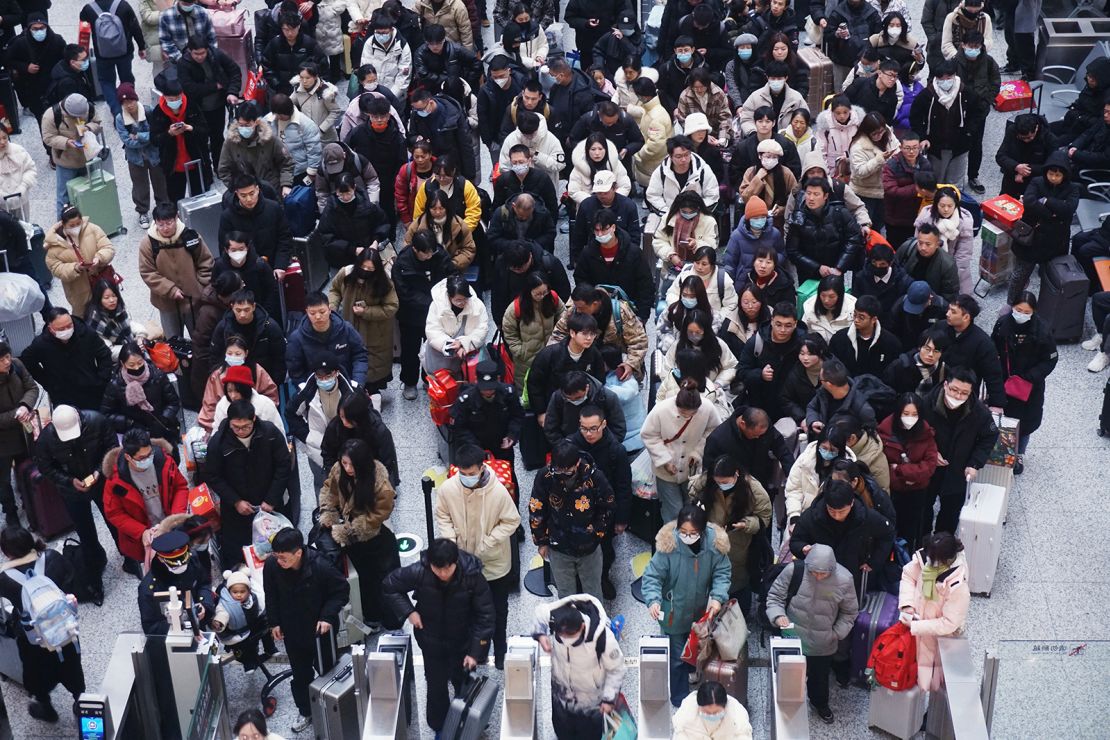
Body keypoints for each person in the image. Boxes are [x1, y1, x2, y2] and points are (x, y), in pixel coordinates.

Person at [382, 538, 493, 731]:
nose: (442, 574)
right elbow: (390, 585)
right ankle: (439, 726)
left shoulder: (472, 576)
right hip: (431, 641)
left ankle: (470, 724)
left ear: (455, 562)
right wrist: (409, 611)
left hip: (463, 641)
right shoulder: (420, 571)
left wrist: (476, 652)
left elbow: (486, 616)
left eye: (446, 569)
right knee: (435, 685)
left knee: (464, 684)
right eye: (437, 569)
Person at [434, 443, 519, 665]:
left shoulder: (498, 492)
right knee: (470, 612)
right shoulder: (448, 489)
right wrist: (451, 543)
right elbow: (442, 515)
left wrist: (488, 542)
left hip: (494, 564)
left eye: (471, 474)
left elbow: (512, 521)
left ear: (482, 468)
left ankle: (501, 652)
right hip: (463, 564)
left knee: (498, 612)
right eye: (462, 473)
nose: (467, 478)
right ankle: (477, 653)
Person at [642, 503, 731, 707]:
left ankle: (694, 674)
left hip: (702, 611)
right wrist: (654, 600)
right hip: (674, 611)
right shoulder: (669, 547)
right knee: (676, 657)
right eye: (683, 532)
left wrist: (717, 597)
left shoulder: (714, 546)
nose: (688, 536)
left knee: (698, 649)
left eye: (693, 532)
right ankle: (680, 698)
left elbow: (722, 573)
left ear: (702, 531)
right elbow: (652, 576)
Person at [264, 527, 349, 734]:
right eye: (277, 556)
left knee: (327, 671)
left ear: (298, 553)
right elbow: (271, 594)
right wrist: (274, 622)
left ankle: (333, 709)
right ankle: (306, 711)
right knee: (301, 675)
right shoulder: (272, 566)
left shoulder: (321, 566)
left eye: (284, 557)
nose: (279, 561)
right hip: (292, 631)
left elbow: (340, 592)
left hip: (320, 632)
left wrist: (327, 616)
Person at [764, 542, 858, 723]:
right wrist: (778, 616)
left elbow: (850, 612)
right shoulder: (795, 571)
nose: (818, 576)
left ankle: (820, 704)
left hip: (823, 643)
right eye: (814, 572)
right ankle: (786, 710)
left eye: (823, 573)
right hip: (792, 638)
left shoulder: (845, 579)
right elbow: (775, 597)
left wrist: (836, 633)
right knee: (788, 679)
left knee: (819, 680)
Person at [0, 526, 86, 722]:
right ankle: (80, 701)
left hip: (33, 638)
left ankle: (45, 706)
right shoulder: (53, 558)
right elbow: (70, 580)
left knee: (36, 672)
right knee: (72, 665)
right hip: (65, 630)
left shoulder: (5, 578)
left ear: (6, 552)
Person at [318, 437, 399, 631]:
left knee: (383, 583)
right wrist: (329, 513)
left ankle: (390, 619)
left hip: (375, 538)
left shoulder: (380, 483)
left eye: (352, 464)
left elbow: (378, 514)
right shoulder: (338, 471)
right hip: (352, 540)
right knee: (362, 584)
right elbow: (329, 490)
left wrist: (348, 531)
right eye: (344, 463)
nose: (347, 468)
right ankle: (370, 617)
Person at [34, 405, 116, 592]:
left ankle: (128, 556)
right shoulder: (46, 440)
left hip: (101, 482)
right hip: (71, 490)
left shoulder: (98, 421)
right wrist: (69, 481)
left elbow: (111, 447)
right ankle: (96, 561)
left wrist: (99, 470)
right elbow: (46, 467)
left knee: (114, 519)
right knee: (84, 529)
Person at [204, 400, 292, 566]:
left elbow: (284, 465)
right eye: (236, 427)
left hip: (269, 503)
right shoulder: (218, 442)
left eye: (246, 426)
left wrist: (272, 499)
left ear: (254, 419)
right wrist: (235, 501)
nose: (241, 431)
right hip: (236, 509)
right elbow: (213, 476)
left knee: (276, 547)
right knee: (239, 554)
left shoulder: (270, 433)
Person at [529, 440, 615, 602]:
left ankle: (596, 625)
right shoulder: (545, 476)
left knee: (593, 594)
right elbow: (536, 508)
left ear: (576, 464)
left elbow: (608, 505)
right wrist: (541, 541)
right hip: (558, 546)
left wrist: (596, 531)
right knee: (565, 595)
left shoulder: (594, 477)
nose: (562, 474)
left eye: (567, 471)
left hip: (589, 547)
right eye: (558, 469)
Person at [531, 594, 625, 738]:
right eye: (562, 635)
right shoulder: (556, 616)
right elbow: (539, 613)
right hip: (561, 700)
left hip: (591, 704)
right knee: (562, 732)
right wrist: (541, 635)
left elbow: (617, 669)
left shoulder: (603, 639)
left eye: (571, 635)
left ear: (582, 626)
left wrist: (608, 699)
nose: (566, 640)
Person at [101, 428, 189, 576]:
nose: (147, 460)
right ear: (128, 457)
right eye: (142, 458)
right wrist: (141, 531)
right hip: (143, 535)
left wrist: (173, 520)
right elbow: (114, 513)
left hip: (170, 525)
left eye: (150, 454)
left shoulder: (164, 462)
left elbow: (180, 487)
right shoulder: (116, 480)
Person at [922, 367, 998, 535]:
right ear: (945, 385)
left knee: (950, 513)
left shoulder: (979, 412)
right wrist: (931, 453)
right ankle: (922, 542)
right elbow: (917, 434)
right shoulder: (927, 404)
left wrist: (975, 463)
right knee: (923, 509)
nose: (957, 396)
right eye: (954, 390)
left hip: (958, 469)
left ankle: (942, 547)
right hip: (929, 468)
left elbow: (990, 436)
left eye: (964, 393)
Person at [991, 293, 1058, 475]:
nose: (1021, 314)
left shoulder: (1042, 332)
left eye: (1025, 312)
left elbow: (1050, 360)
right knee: (1003, 419)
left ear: (1033, 312)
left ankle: (1019, 453)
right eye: (1018, 310)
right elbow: (992, 348)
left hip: (1029, 389)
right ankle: (1003, 451)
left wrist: (1029, 377)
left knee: (1026, 424)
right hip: (1005, 383)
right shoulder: (1003, 324)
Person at [694, 455, 772, 607]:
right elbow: (693, 494)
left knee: (737, 581)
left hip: (738, 544)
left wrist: (747, 524)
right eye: (718, 482)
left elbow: (764, 518)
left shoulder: (754, 489)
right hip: (711, 540)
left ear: (736, 473)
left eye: (724, 482)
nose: (721, 485)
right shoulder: (708, 480)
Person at [898, 531, 970, 690]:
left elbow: (949, 623)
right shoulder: (924, 560)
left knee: (934, 683)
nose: (929, 562)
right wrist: (907, 604)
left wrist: (916, 626)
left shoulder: (958, 587)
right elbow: (909, 576)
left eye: (934, 559)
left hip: (939, 643)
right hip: (915, 633)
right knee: (913, 678)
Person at [1007, 152, 1080, 308]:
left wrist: (1047, 200)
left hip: (1055, 241)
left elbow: (1069, 209)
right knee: (1020, 274)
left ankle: (1045, 307)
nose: (1053, 178)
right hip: (1032, 238)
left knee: (1050, 278)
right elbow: (1029, 202)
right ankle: (1011, 304)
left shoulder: (1073, 189)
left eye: (1058, 175)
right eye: (1051, 173)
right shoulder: (1037, 182)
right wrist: (1052, 214)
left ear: (1064, 175)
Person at [326, 249, 397, 398]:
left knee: (372, 365)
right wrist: (332, 305)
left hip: (375, 331)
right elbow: (335, 290)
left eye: (370, 269)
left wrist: (366, 312)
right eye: (363, 267)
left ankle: (371, 394)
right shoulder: (346, 273)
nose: (366, 271)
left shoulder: (384, 281)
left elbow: (391, 307)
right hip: (349, 325)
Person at [393, 232, 454, 400]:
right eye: (425, 253)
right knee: (410, 350)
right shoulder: (403, 263)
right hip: (411, 315)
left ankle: (429, 378)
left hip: (436, 315)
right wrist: (432, 302)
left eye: (431, 252)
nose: (429, 256)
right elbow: (404, 293)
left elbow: (452, 275)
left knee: (433, 350)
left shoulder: (440, 255)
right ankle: (409, 382)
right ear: (415, 249)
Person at [138, 202, 213, 337]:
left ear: (176, 218)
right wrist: (170, 290)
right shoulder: (148, 243)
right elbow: (147, 272)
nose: (165, 228)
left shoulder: (190, 236)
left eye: (169, 223)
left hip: (194, 301)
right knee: (173, 343)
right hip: (167, 304)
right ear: (155, 222)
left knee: (201, 338)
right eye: (161, 224)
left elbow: (206, 261)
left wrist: (201, 287)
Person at [878, 393, 938, 548]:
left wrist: (901, 470)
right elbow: (881, 467)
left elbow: (929, 466)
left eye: (914, 414)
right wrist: (907, 476)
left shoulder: (925, 434)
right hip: (892, 493)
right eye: (906, 414)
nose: (910, 418)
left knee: (912, 533)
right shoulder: (884, 433)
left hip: (917, 494)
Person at [21, 307, 112, 411]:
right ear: (51, 329)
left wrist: (102, 379)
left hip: (91, 389)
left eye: (69, 326)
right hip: (62, 396)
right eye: (61, 329)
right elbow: (27, 360)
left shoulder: (86, 332)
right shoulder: (41, 344)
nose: (66, 330)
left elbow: (104, 353)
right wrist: (48, 383)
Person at [573, 209, 655, 322]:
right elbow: (581, 280)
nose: (600, 234)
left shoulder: (634, 253)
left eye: (604, 229)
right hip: (598, 311)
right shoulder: (588, 253)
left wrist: (642, 315)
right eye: (597, 230)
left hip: (630, 311)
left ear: (613, 227)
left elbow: (646, 285)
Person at [908, 60, 978, 189]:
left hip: (960, 145)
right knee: (936, 182)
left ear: (955, 75)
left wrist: (969, 132)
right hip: (936, 146)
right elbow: (915, 118)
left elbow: (976, 113)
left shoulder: (966, 92)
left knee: (955, 184)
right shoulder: (926, 95)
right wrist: (922, 137)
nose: (945, 81)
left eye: (949, 77)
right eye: (941, 78)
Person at [176, 39, 242, 167]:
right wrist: (214, 86)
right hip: (197, 109)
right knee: (200, 140)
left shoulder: (217, 55)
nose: (200, 57)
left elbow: (234, 71)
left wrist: (232, 91)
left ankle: (220, 166)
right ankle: (206, 169)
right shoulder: (183, 64)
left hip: (217, 106)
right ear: (190, 51)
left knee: (217, 137)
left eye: (202, 53)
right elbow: (189, 88)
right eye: (196, 54)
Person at [100, 343, 182, 445]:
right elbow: (106, 414)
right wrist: (129, 423)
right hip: (135, 434)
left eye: (139, 363)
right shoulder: (116, 384)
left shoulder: (157, 376)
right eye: (131, 365)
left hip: (160, 427)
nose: (136, 368)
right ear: (122, 363)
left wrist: (164, 418)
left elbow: (173, 402)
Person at [43, 205, 116, 317]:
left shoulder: (92, 229)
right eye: (71, 225)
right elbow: (56, 268)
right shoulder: (54, 245)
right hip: (78, 291)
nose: (76, 227)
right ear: (63, 224)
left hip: (101, 284)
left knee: (110, 313)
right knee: (85, 317)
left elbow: (107, 247)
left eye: (78, 223)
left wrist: (99, 258)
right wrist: (75, 268)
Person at [4, 14, 66, 146]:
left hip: (56, 88)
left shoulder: (57, 41)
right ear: (29, 29)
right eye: (35, 28)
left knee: (62, 120)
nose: (39, 31)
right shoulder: (20, 43)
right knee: (44, 122)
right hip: (34, 91)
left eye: (42, 27)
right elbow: (8, 59)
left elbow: (65, 58)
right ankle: (51, 152)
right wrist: (25, 67)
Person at [786, 178, 863, 283]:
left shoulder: (839, 213)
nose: (811, 198)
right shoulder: (798, 218)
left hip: (835, 270)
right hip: (808, 273)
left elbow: (854, 239)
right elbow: (792, 251)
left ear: (825, 196)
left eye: (816, 194)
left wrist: (840, 267)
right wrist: (817, 267)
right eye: (808, 193)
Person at [114, 83, 169, 228]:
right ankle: (142, 211)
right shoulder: (120, 119)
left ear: (136, 99)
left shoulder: (149, 111)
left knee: (160, 182)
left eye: (131, 101)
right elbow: (127, 141)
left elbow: (156, 133)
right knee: (139, 185)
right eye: (125, 103)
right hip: (135, 159)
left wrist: (138, 136)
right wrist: (147, 139)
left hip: (154, 155)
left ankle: (163, 208)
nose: (129, 105)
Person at [79, 0, 146, 119]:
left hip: (102, 55)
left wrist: (83, 53)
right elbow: (135, 27)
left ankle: (117, 112)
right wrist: (141, 46)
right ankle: (130, 105)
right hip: (124, 53)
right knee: (126, 79)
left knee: (106, 81)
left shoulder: (88, 9)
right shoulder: (123, 6)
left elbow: (84, 33)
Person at [148, 78, 212, 203]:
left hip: (195, 161)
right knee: (175, 200)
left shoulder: (191, 106)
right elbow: (154, 139)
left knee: (199, 198)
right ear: (165, 97)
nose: (175, 102)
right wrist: (169, 133)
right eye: (171, 100)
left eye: (178, 98)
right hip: (173, 165)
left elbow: (205, 130)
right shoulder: (158, 112)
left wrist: (191, 128)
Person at [286, 293, 370, 387]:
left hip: (347, 385)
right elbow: (295, 369)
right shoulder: (297, 338)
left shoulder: (346, 329)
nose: (318, 317)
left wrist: (357, 382)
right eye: (312, 313)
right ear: (306, 312)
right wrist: (303, 387)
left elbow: (360, 355)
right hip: (315, 390)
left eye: (322, 312)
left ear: (329, 309)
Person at [210, 288, 288, 388]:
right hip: (232, 383)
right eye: (238, 310)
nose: (242, 314)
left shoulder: (269, 327)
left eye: (246, 310)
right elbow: (214, 357)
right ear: (232, 307)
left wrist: (273, 383)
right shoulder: (223, 327)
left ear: (253, 307)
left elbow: (280, 358)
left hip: (263, 382)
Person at [320, 389, 400, 486]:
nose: (344, 422)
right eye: (341, 416)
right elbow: (327, 454)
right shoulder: (335, 426)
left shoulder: (378, 431)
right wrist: (336, 475)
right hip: (343, 478)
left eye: (349, 419)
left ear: (359, 417)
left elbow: (386, 462)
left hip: (372, 478)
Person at [314, 174, 393, 270]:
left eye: (348, 193)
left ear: (354, 188)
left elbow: (382, 223)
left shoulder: (367, 203)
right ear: (336, 192)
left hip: (367, 254)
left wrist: (375, 241)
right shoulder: (331, 210)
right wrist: (352, 249)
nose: (345, 197)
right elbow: (326, 236)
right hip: (343, 259)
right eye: (341, 194)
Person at [645, 135, 720, 234]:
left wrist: (695, 213)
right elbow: (653, 195)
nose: (684, 159)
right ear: (671, 156)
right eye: (679, 156)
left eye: (687, 154)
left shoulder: (703, 170)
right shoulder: (661, 172)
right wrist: (668, 213)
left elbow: (713, 196)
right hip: (669, 219)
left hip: (698, 219)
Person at [943, 294, 1005, 410]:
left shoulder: (983, 343)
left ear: (966, 317)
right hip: (939, 389)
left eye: (953, 311)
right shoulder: (941, 328)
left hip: (964, 395)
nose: (947, 314)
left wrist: (997, 404)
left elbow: (993, 376)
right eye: (948, 310)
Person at [218, 103, 294, 196]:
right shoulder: (231, 142)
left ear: (256, 122)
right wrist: (236, 188)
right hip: (245, 193)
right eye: (241, 125)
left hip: (271, 189)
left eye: (247, 125)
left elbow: (286, 163)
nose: (244, 128)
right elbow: (223, 170)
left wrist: (286, 184)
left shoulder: (269, 139)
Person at [421, 275, 490, 378]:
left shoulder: (477, 305)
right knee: (441, 381)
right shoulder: (436, 305)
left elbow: (482, 329)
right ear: (449, 296)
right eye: (458, 300)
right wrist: (451, 346)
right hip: (441, 352)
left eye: (465, 299)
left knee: (465, 381)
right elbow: (433, 330)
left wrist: (463, 344)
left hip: (468, 352)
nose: (462, 302)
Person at [0, 345, 38, 525]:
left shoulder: (17, 365)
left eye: (7, 356)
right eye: (1, 360)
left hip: (23, 433)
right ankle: (10, 512)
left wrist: (25, 406)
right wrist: (16, 415)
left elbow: (32, 387)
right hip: (2, 442)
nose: (7, 362)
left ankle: (31, 503)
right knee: (3, 480)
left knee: (27, 467)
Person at [914, 186, 974, 296]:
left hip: (952, 266)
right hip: (927, 261)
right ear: (936, 205)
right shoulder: (925, 217)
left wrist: (952, 273)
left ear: (956, 205)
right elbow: (917, 241)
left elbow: (963, 254)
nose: (946, 209)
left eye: (950, 206)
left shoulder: (964, 223)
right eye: (942, 206)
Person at [408, 89, 477, 182]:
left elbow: (465, 144)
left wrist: (470, 174)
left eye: (420, 109)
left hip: (451, 163)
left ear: (430, 102)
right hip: (428, 163)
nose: (418, 112)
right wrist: (416, 139)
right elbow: (411, 136)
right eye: (415, 109)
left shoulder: (452, 114)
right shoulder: (416, 114)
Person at [543, 371, 626, 448]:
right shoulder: (558, 398)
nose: (574, 401)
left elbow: (618, 429)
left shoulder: (607, 397)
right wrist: (564, 448)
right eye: (569, 399)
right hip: (570, 447)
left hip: (602, 447)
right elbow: (551, 428)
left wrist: (605, 448)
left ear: (587, 387)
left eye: (578, 398)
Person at [828, 294, 902, 377]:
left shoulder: (891, 343)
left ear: (873, 319)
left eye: (861, 317)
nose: (856, 320)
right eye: (855, 315)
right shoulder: (839, 339)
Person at [403, 189, 476, 272]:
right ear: (428, 208)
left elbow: (469, 249)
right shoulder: (418, 224)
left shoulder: (459, 225)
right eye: (434, 209)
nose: (438, 212)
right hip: (424, 268)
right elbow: (407, 244)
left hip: (450, 269)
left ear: (447, 208)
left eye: (441, 208)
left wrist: (452, 264)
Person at [882, 130, 932, 249]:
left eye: (915, 148)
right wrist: (917, 188)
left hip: (917, 216)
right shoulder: (892, 165)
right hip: (895, 218)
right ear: (901, 147)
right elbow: (891, 190)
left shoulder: (925, 164)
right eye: (907, 148)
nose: (911, 152)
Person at [995, 113, 1057, 200]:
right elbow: (1000, 156)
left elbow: (1051, 166)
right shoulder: (1012, 131)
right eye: (1022, 138)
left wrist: (1024, 171)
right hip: (1011, 179)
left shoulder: (1049, 139)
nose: (1026, 141)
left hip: (1034, 185)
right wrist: (1016, 167)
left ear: (1036, 128)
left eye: (1029, 137)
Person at [264, 94, 322, 185]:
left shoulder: (306, 124)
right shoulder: (268, 121)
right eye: (277, 115)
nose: (279, 118)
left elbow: (314, 150)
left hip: (298, 171)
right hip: (276, 170)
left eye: (282, 115)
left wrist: (312, 171)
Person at [895, 224, 960, 303]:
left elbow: (949, 296)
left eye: (928, 244)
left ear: (937, 244)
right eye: (920, 243)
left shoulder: (947, 265)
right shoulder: (908, 247)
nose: (923, 248)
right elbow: (894, 269)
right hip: (904, 297)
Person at [360, 10, 413, 101]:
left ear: (391, 29)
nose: (381, 36)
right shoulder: (370, 43)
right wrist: (372, 92)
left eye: (384, 33)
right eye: (378, 32)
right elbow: (365, 69)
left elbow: (403, 76)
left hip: (395, 96)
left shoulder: (402, 46)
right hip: (373, 92)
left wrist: (390, 96)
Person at [673, 680, 754, 739]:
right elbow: (680, 734)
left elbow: (744, 735)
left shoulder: (737, 714)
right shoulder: (687, 711)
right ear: (698, 706)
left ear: (725, 706)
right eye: (706, 712)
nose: (711, 716)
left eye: (716, 712)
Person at [885, 326, 950, 396]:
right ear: (919, 348)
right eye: (927, 349)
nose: (931, 354)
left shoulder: (944, 371)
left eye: (936, 351)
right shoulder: (899, 366)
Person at [83, 280, 135, 359]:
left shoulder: (119, 307)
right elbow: (108, 351)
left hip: (127, 346)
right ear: (98, 299)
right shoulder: (95, 321)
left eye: (114, 296)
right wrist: (131, 349)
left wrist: (140, 336)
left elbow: (129, 324)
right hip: (113, 359)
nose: (112, 300)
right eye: (106, 298)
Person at [158, 0, 216, 64]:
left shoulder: (203, 13)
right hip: (178, 61)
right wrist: (180, 59)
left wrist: (209, 55)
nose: (188, 6)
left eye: (191, 3)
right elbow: (165, 41)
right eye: (185, 3)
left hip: (202, 59)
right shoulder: (166, 16)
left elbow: (211, 37)